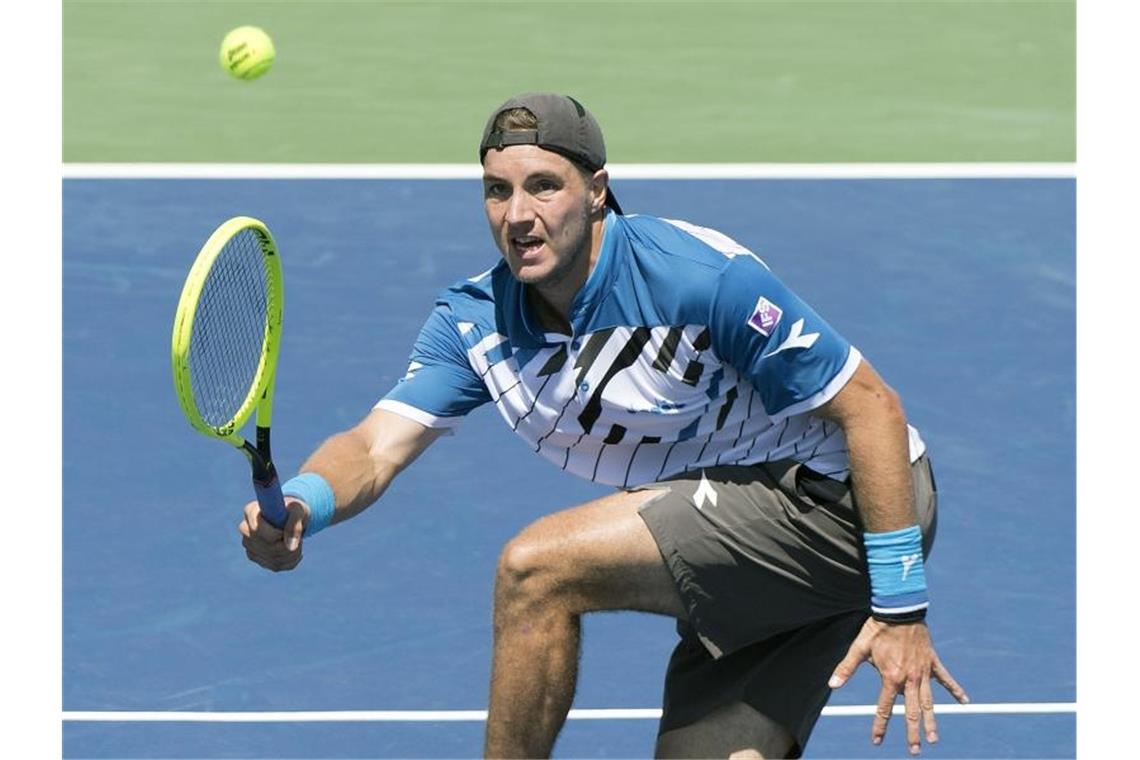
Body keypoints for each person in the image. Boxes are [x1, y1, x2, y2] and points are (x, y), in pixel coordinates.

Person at [238, 92, 969, 759]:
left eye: (543, 186)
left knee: (538, 570)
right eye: (497, 191)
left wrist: (901, 606)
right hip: (753, 541)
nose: (517, 215)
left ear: (597, 192)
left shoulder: (699, 278)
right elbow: (372, 445)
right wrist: (306, 499)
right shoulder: (473, 324)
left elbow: (871, 408)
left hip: (845, 502)